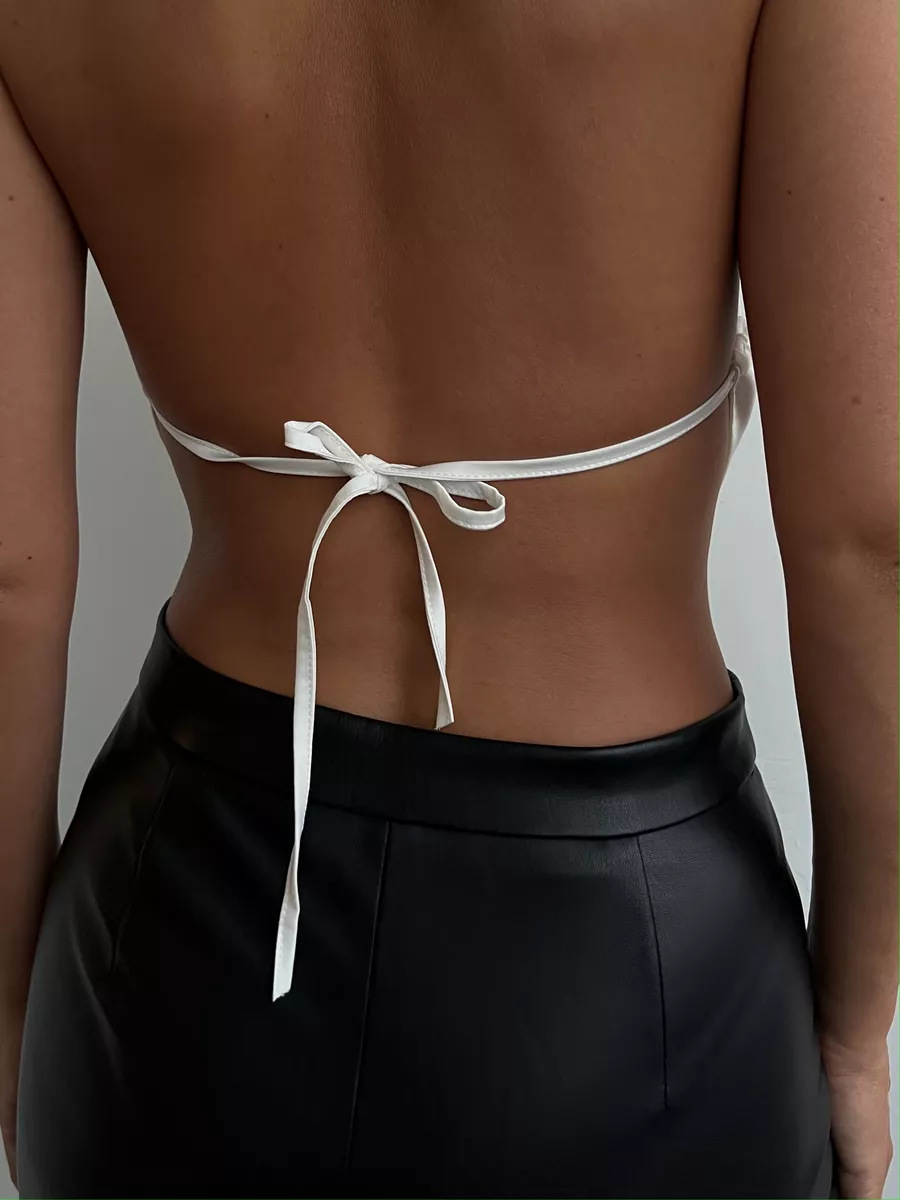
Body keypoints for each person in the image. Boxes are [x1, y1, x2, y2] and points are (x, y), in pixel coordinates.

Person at [0, 0, 896, 1196]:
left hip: (174, 940)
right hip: (631, 979)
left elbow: (6, 575)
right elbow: (872, 541)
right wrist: (856, 1026)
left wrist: (10, 1005)